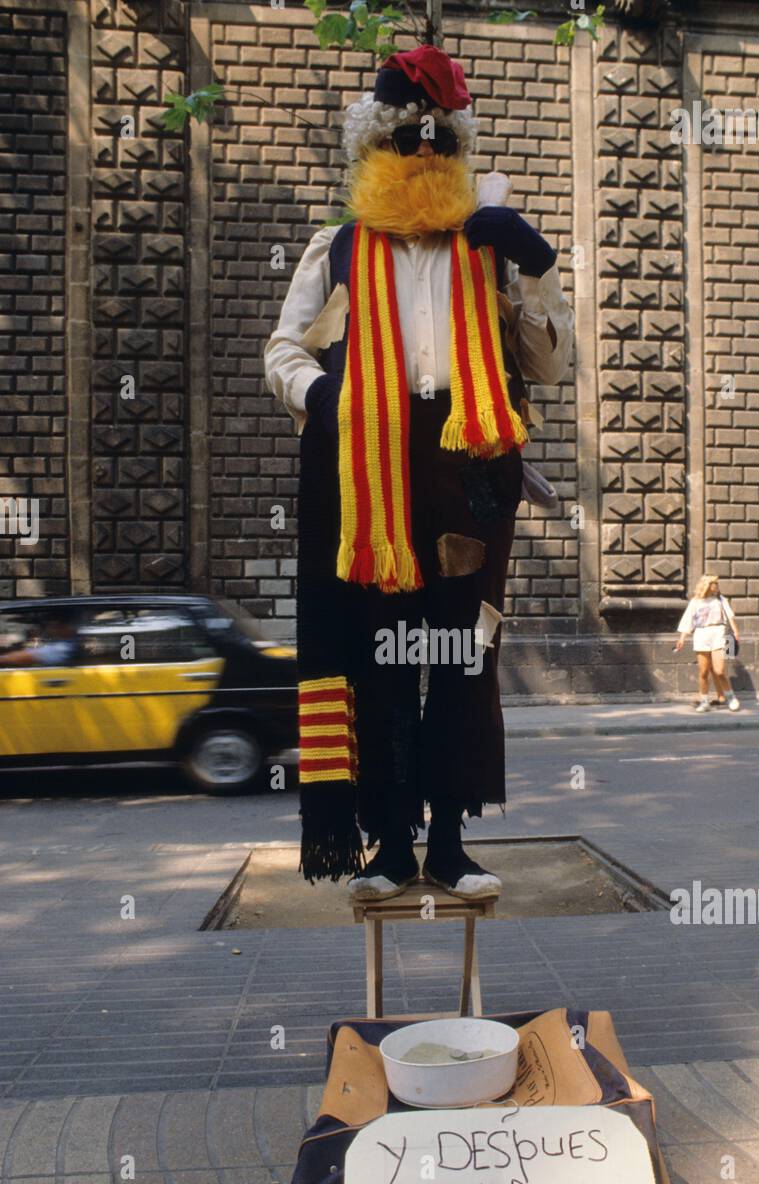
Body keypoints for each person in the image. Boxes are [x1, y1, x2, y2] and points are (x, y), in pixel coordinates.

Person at [265, 45, 573, 901]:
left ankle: (450, 844)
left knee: (464, 649)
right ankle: (390, 846)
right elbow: (283, 350)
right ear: (376, 149)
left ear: (458, 147)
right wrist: (322, 394)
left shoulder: (490, 248)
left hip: (470, 461)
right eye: (407, 138)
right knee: (385, 654)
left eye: (439, 139)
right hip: (369, 460)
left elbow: (549, 368)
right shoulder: (336, 249)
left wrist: (541, 270)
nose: (424, 153)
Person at [676, 575, 741, 712]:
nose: (717, 586)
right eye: (714, 584)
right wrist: (682, 638)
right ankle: (704, 701)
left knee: (719, 670)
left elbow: (730, 615)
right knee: (704, 671)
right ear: (707, 585)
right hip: (701, 634)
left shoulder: (720, 599)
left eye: (717, 584)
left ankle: (730, 697)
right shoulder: (695, 601)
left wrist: (735, 632)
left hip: (718, 632)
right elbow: (688, 620)